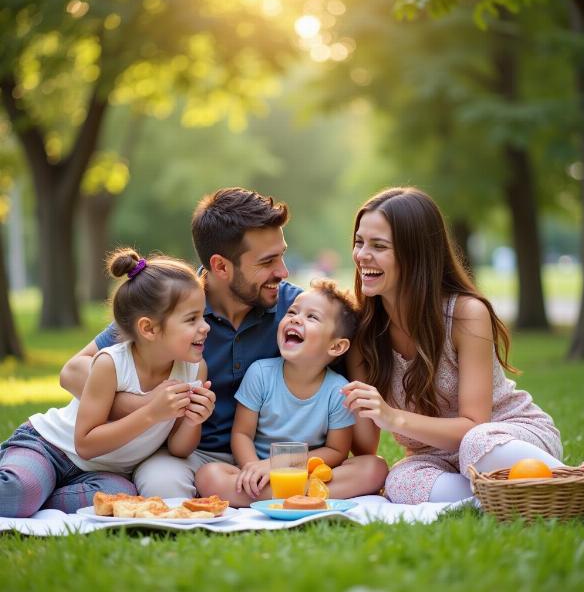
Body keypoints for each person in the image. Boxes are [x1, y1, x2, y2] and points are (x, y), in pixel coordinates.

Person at [60, 188, 300, 498]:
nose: (283, 271)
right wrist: (151, 405)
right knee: (161, 484)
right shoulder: (175, 306)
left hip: (266, 454)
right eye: (268, 261)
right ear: (222, 266)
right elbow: (73, 371)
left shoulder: (294, 310)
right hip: (187, 452)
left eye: (281, 255)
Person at [342, 187, 563, 504]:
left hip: (504, 437)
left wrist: (392, 417)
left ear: (415, 254)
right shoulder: (363, 335)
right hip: (439, 459)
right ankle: (500, 498)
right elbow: (366, 447)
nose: (362, 255)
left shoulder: (464, 315)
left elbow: (475, 424)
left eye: (379, 246)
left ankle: (576, 485)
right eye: (359, 242)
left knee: (475, 441)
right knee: (399, 482)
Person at [0, 248, 213, 517]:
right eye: (191, 319)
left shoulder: (194, 370)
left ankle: (37, 494)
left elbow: (178, 448)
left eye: (203, 315)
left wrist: (195, 419)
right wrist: (150, 413)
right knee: (17, 492)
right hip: (51, 449)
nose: (205, 327)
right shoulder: (110, 364)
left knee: (119, 501)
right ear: (149, 329)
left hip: (102, 474)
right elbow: (85, 444)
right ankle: (26, 483)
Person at [197, 280, 388, 506]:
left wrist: (280, 466)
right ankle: (307, 496)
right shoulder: (260, 374)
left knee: (375, 467)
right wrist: (252, 469)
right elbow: (242, 435)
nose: (296, 319)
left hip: (308, 473)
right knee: (208, 476)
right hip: (260, 473)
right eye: (292, 312)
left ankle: (280, 495)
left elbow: (337, 450)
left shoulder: (338, 391)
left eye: (312, 317)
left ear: (336, 347)